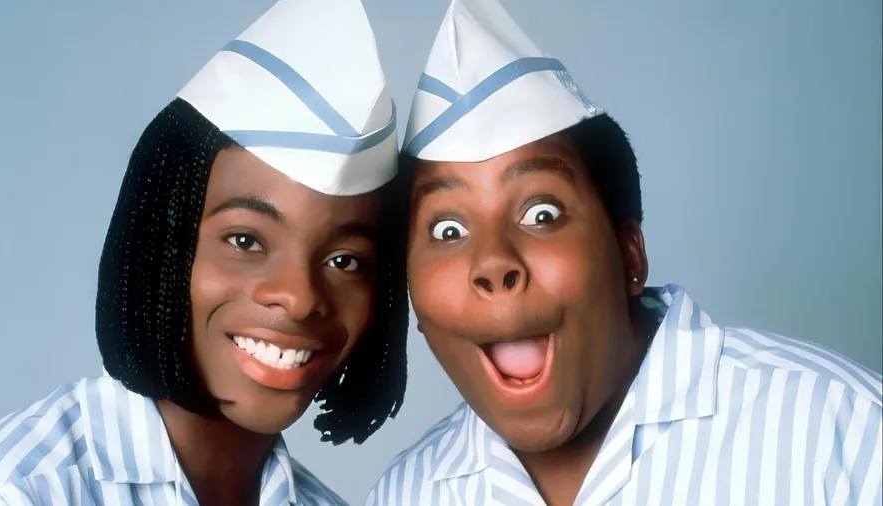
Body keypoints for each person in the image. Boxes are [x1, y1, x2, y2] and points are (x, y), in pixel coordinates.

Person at [365, 0, 883, 504]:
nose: (494, 264)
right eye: (449, 230)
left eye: (541, 214)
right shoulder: (407, 494)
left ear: (629, 256)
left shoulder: (841, 436)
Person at [0, 1, 409, 504]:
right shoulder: (20, 491)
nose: (298, 298)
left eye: (344, 261)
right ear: (160, 247)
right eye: (245, 241)